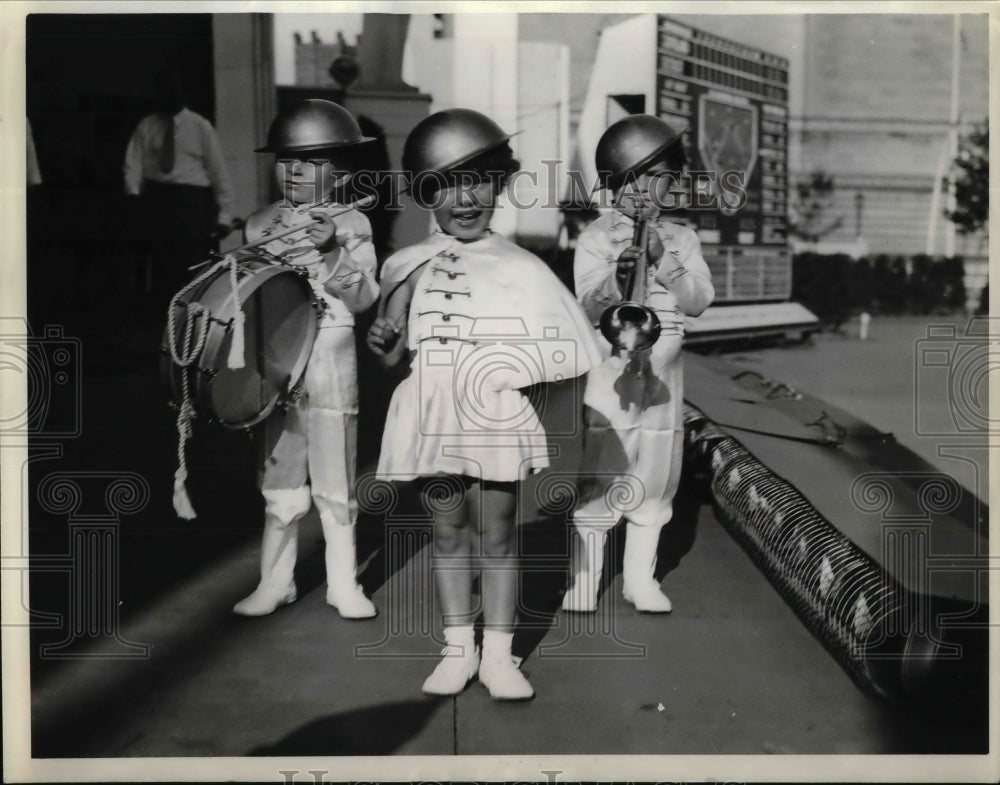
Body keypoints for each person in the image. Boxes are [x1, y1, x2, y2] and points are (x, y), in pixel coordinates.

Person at [366, 109, 602, 700]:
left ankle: (499, 654)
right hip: (432, 410)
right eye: (445, 184)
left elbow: (563, 350)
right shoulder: (405, 266)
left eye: (478, 181)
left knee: (498, 534)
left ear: (499, 184)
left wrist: (511, 371)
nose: (463, 198)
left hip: (493, 413)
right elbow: (392, 358)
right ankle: (456, 649)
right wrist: (383, 341)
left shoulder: (523, 267)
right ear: (425, 193)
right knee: (447, 533)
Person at [232, 99, 379, 620]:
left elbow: (363, 298)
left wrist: (334, 249)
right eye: (287, 159)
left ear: (339, 172)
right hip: (274, 360)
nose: (295, 170)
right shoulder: (257, 224)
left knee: (334, 472)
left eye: (313, 161)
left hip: (328, 358)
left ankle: (344, 583)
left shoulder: (352, 222)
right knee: (279, 474)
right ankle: (276, 582)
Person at [564, 114, 715, 614]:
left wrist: (662, 260)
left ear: (673, 182)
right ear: (611, 184)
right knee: (603, 466)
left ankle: (639, 579)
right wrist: (618, 277)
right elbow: (587, 305)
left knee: (657, 470)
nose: (644, 191)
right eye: (631, 179)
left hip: (664, 383)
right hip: (611, 377)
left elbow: (696, 301)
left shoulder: (683, 238)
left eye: (658, 177)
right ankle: (585, 579)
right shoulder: (594, 238)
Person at [123, 66, 236, 310]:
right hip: (158, 201)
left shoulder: (200, 126)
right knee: (162, 267)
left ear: (184, 93)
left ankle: (192, 320)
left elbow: (219, 172)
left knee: (193, 267)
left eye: (175, 90)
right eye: (164, 90)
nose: (170, 95)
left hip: (192, 205)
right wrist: (133, 195)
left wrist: (224, 214)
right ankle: (166, 324)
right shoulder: (148, 125)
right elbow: (133, 163)